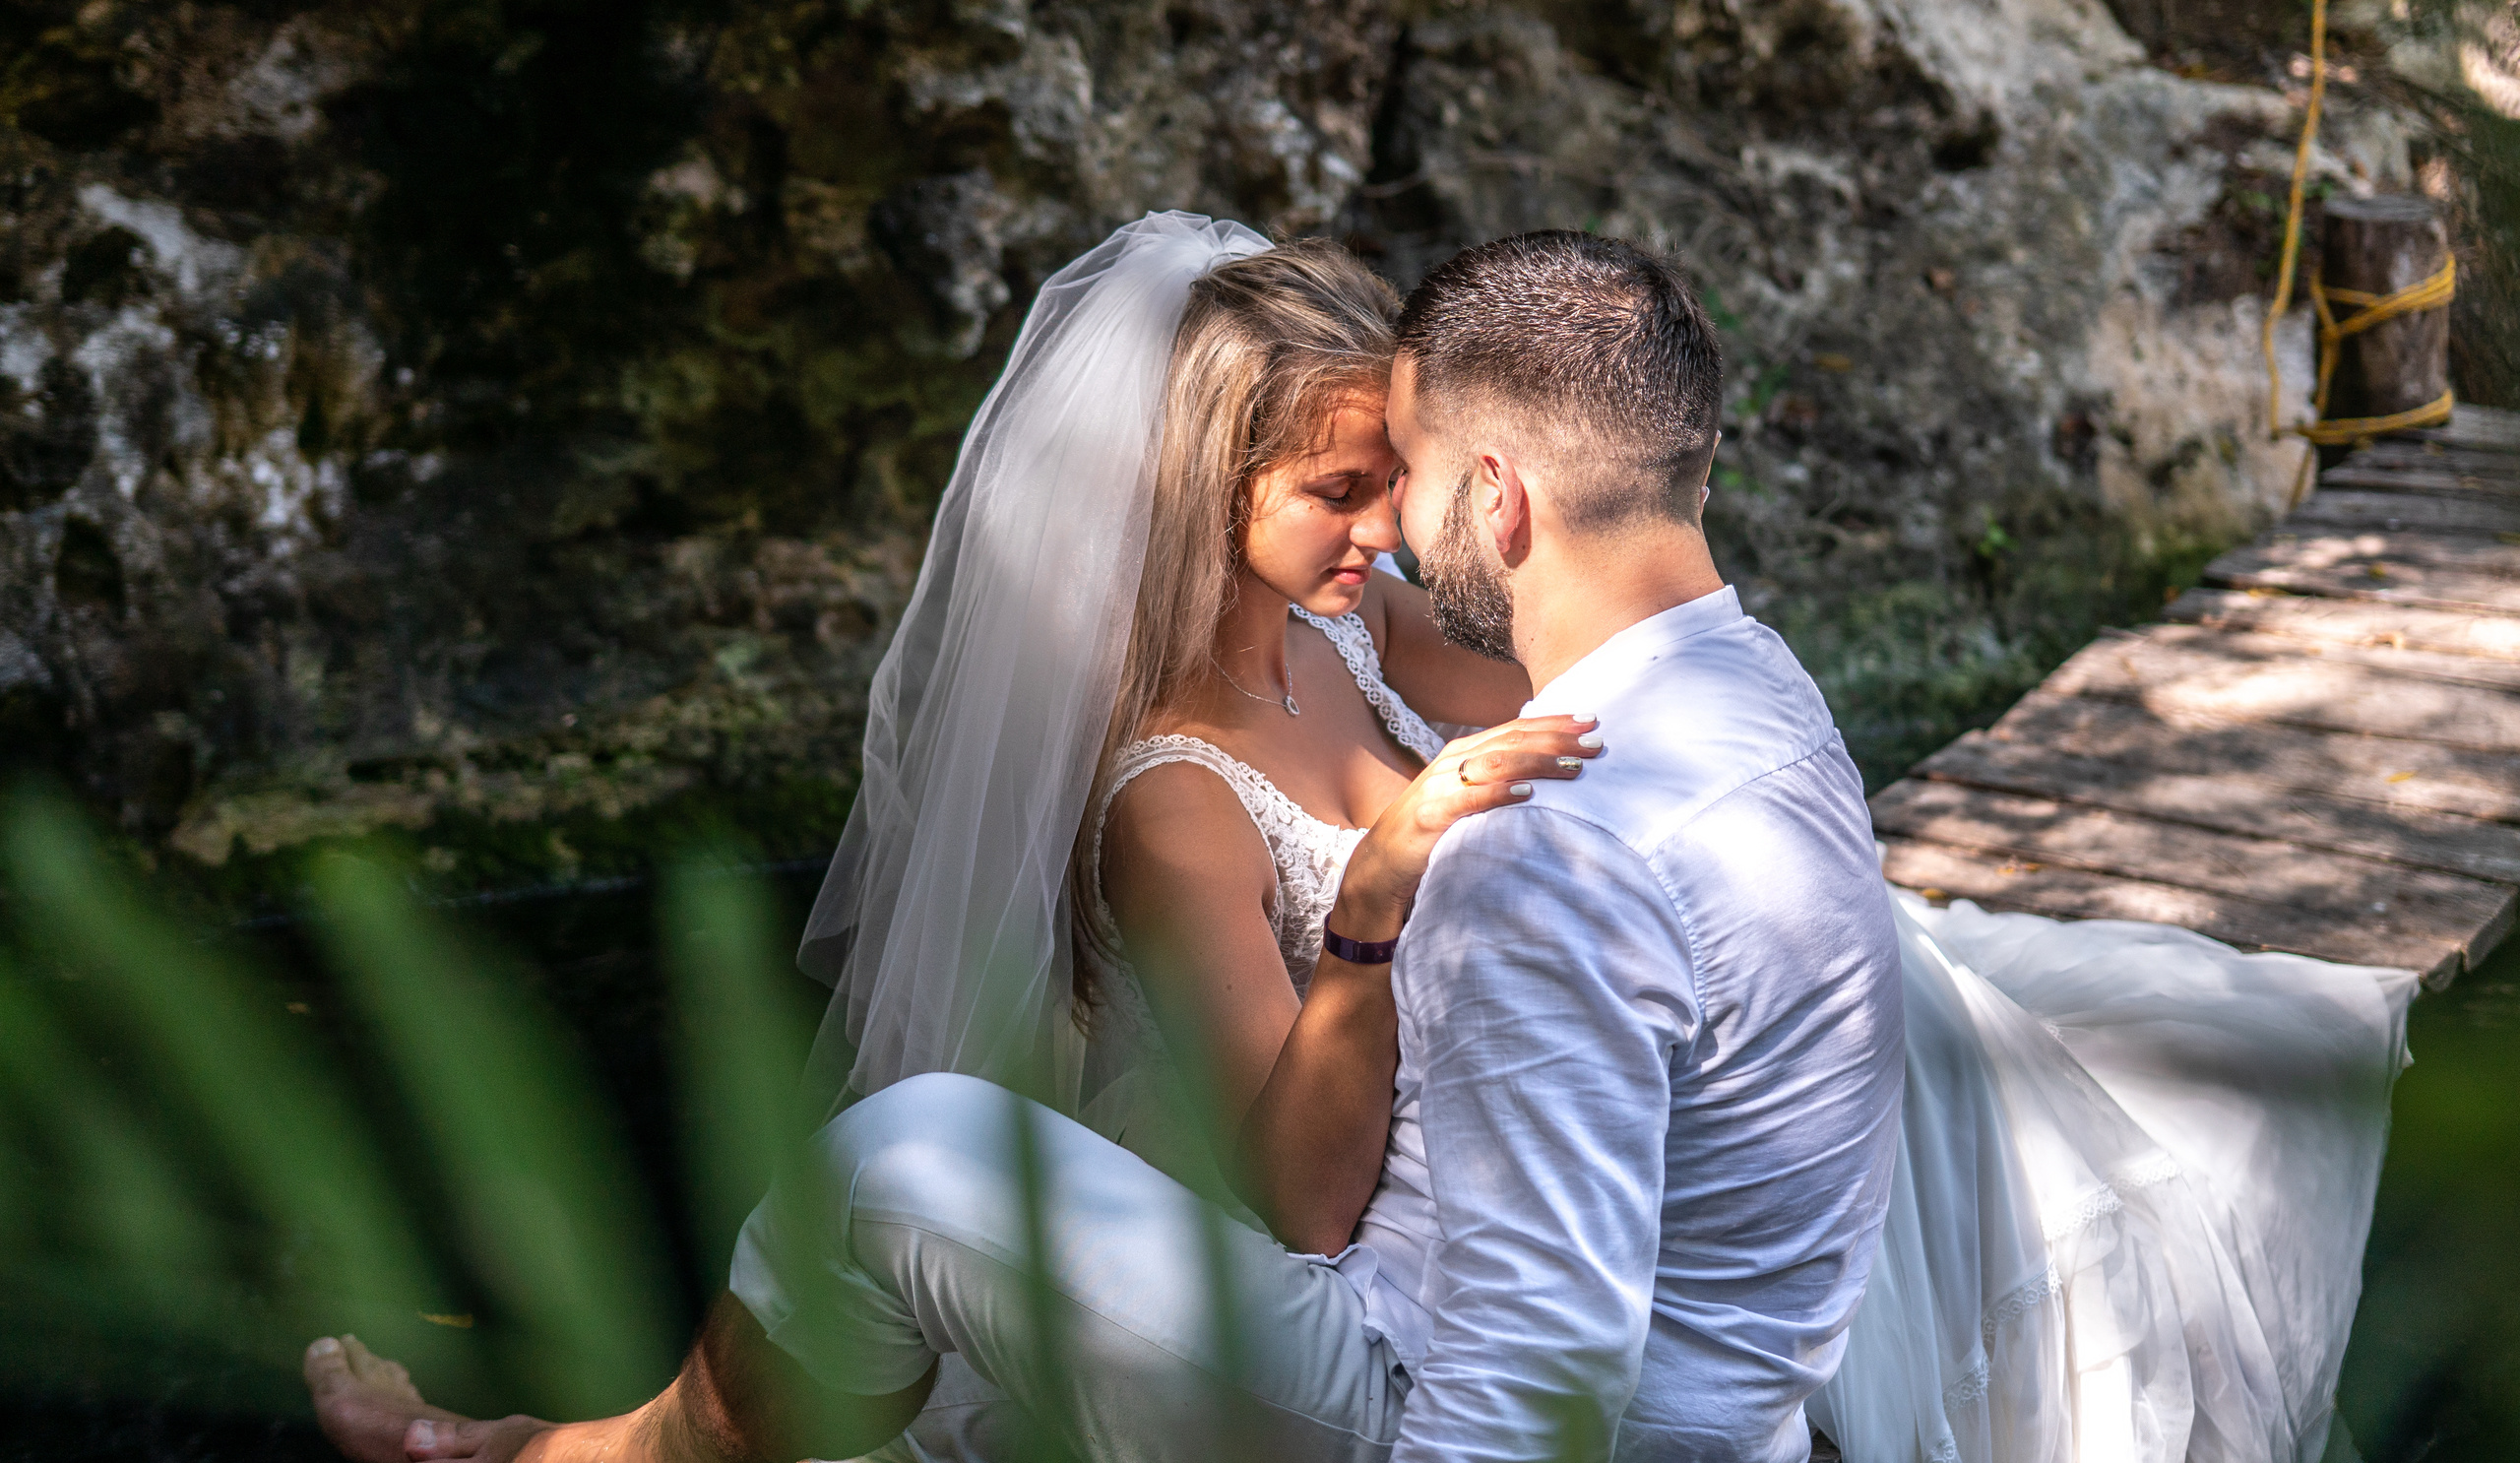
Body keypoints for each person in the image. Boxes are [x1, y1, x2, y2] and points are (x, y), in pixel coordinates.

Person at [307, 218, 2416, 1463]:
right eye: (1333, 491)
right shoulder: (1164, 796)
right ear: (1183, 499)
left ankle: (564, 1437)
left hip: (1476, 1245)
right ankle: (565, 1445)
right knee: (881, 1187)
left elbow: (1565, 798)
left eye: (1391, 478)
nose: (1376, 529)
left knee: (879, 1196)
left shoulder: (1395, 610)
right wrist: (1375, 912)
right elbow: (1299, 1184)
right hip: (1352, 1166)